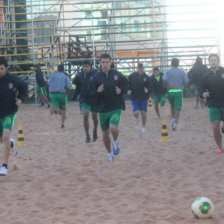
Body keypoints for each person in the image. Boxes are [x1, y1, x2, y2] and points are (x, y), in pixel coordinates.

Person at [91, 53, 128, 162]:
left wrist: (121, 91)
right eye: (103, 62)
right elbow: (91, 93)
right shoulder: (96, 77)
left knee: (113, 128)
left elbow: (126, 85)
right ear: (100, 63)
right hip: (102, 109)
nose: (105, 64)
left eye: (107, 62)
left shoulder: (117, 74)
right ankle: (109, 153)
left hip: (115, 107)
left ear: (111, 63)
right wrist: (97, 91)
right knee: (105, 134)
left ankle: (115, 142)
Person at [0, 56, 26, 176]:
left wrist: (20, 99)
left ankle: (4, 166)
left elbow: (23, 87)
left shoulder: (13, 79)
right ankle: (10, 143)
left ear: (6, 68)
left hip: (9, 112)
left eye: (1, 68)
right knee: (2, 140)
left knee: (5, 136)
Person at [200, 54, 224, 153]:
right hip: (213, 104)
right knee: (215, 126)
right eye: (211, 60)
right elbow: (201, 88)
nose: (213, 62)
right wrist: (203, 93)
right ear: (209, 62)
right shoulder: (206, 75)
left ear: (218, 61)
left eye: (215, 60)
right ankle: (220, 147)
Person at [72, 60, 98, 143]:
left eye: (87, 66)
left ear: (90, 67)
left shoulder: (95, 74)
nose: (85, 68)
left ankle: (95, 130)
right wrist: (74, 96)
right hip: (85, 99)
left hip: (94, 99)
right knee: (85, 115)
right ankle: (87, 135)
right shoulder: (79, 76)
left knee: (94, 117)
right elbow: (77, 87)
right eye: (83, 66)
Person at [163, 58, 188, 130]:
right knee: (178, 108)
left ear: (171, 63)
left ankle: (173, 119)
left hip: (170, 91)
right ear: (178, 64)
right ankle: (175, 123)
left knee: (172, 106)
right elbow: (186, 81)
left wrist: (166, 88)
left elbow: (164, 80)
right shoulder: (182, 71)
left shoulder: (167, 72)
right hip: (179, 91)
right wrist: (185, 89)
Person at [127, 63, 151, 132]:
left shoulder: (147, 77)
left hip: (144, 98)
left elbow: (150, 87)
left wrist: (148, 90)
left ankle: (143, 127)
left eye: (141, 70)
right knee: (136, 112)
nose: (140, 71)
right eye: (139, 70)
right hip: (135, 97)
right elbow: (128, 84)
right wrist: (128, 90)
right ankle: (135, 117)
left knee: (144, 113)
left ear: (143, 69)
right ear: (137, 69)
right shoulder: (132, 76)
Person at [48, 64, 71, 128]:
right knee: (63, 110)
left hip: (54, 94)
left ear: (57, 69)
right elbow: (69, 85)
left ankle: (55, 108)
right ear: (63, 70)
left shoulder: (53, 75)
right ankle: (62, 124)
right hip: (62, 94)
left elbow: (48, 83)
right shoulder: (64, 76)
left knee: (56, 106)